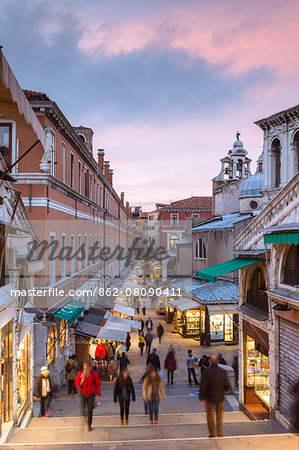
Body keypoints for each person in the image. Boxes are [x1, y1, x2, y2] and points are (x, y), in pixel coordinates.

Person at [199, 355, 231, 438]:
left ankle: (212, 433)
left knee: (210, 415)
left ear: (210, 361)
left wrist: (201, 397)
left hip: (209, 397)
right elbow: (227, 385)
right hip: (220, 397)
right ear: (218, 362)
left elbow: (203, 386)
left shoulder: (206, 372)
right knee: (219, 414)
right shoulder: (222, 371)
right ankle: (219, 432)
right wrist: (222, 390)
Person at [75, 360, 101, 431]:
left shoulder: (94, 374)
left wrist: (98, 394)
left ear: (90, 367)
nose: (85, 369)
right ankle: (85, 418)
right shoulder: (80, 373)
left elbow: (98, 384)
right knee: (83, 410)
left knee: (89, 410)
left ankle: (89, 424)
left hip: (91, 395)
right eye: (84, 367)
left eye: (87, 367)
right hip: (83, 394)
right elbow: (76, 383)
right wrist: (81, 379)